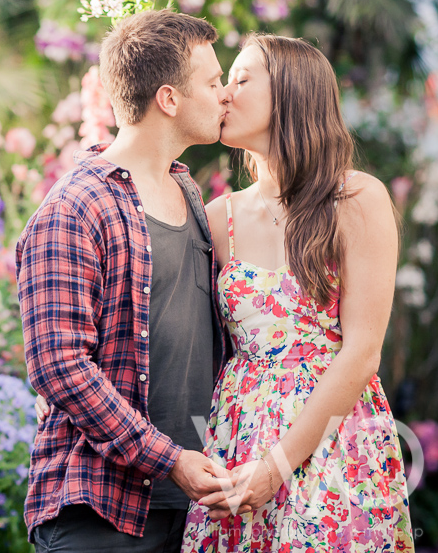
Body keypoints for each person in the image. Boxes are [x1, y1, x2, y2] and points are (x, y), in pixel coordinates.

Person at [17, 9, 253, 553]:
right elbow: (59, 366)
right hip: (100, 512)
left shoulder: (188, 192)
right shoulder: (76, 208)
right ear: (169, 99)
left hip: (194, 508)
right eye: (214, 81)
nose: (224, 95)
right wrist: (168, 459)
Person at [177, 34, 414, 551]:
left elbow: (362, 352)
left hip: (334, 442)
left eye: (240, 80)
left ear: (291, 92)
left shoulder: (355, 199)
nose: (224, 94)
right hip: (236, 440)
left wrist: (278, 465)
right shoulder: (218, 218)